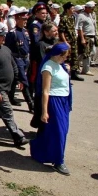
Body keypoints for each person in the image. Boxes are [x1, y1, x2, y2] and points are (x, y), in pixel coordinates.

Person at [30, 43, 73, 175]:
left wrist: (67, 71)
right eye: (65, 56)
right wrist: (44, 111)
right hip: (53, 102)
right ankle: (58, 161)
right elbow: (45, 91)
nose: (66, 58)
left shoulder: (61, 66)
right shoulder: (48, 67)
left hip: (63, 100)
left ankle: (39, 150)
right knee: (59, 132)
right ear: (58, 54)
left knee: (61, 131)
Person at [4, 8, 34, 112]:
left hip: (25, 59)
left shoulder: (25, 32)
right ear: (17, 19)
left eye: (26, 19)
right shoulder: (12, 33)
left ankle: (11, 98)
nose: (25, 21)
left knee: (15, 80)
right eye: (23, 19)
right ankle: (31, 104)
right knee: (24, 81)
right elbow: (7, 49)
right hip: (17, 59)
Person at [58, 2, 83, 81]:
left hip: (73, 40)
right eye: (72, 8)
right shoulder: (63, 18)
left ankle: (74, 73)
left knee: (74, 57)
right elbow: (61, 31)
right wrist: (65, 42)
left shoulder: (72, 17)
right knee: (67, 58)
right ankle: (66, 75)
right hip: (67, 41)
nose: (73, 10)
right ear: (67, 9)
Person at [77, 1, 97, 76]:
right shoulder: (81, 15)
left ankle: (81, 67)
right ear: (87, 8)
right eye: (92, 8)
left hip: (91, 36)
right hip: (86, 36)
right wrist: (82, 38)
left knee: (89, 53)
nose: (93, 10)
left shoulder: (90, 15)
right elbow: (79, 28)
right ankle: (85, 69)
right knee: (85, 54)